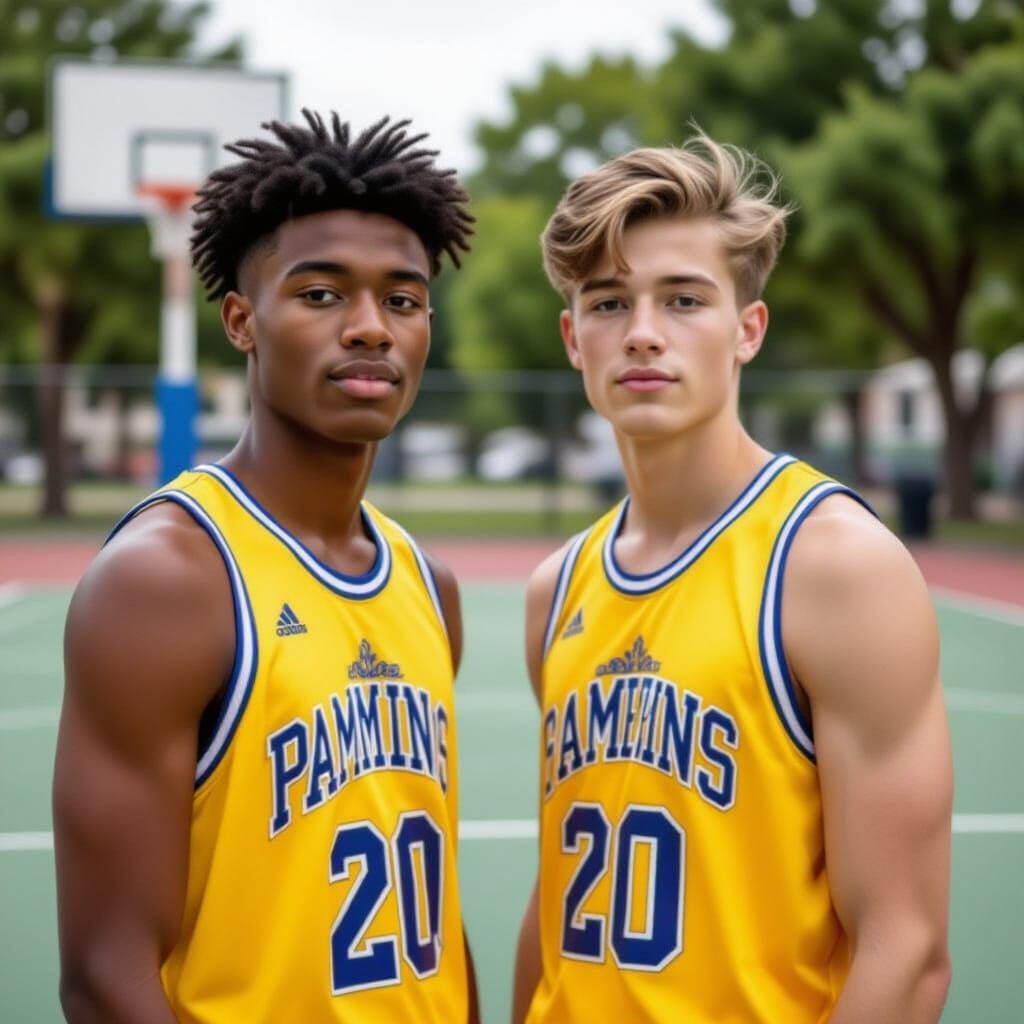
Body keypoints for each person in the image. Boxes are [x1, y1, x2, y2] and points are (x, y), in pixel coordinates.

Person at [512, 135, 952, 1023]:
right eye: (608, 303)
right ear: (572, 338)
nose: (642, 332)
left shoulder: (832, 566)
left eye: (683, 299)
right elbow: (556, 899)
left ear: (747, 330)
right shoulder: (554, 590)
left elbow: (904, 950)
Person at [54, 110, 479, 1023]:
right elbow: (105, 974)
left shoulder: (427, 584)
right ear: (242, 321)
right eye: (322, 295)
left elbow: (435, 910)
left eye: (402, 301)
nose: (371, 328)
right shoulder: (166, 582)